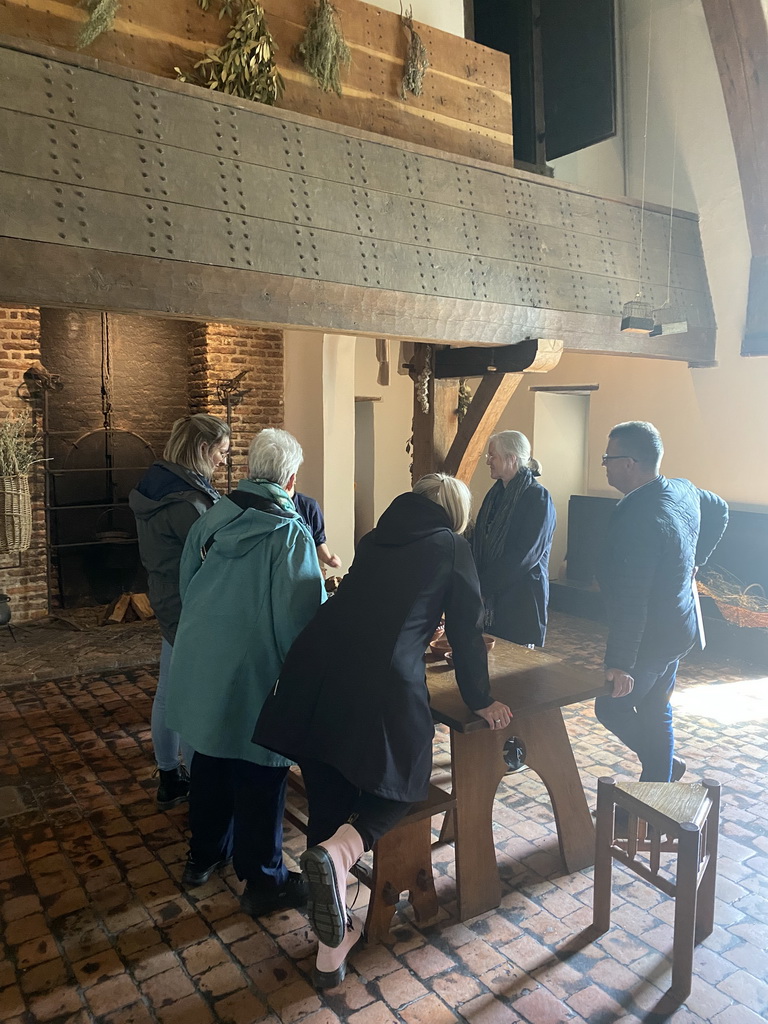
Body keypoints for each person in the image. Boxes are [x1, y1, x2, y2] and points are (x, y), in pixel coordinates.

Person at [254, 473, 511, 988]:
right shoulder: (451, 545)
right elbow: (466, 628)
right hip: (378, 680)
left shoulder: (376, 537)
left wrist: (421, 629)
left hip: (316, 667)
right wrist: (481, 698)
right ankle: (342, 851)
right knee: (408, 778)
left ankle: (332, 952)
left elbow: (378, 606)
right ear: (455, 514)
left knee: (330, 779)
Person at [165, 428, 326, 916]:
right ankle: (264, 881)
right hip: (256, 670)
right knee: (260, 771)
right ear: (291, 478)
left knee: (211, 756)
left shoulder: (212, 516)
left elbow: (188, 587)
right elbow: (299, 620)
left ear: (251, 469)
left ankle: (204, 856)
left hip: (203, 658)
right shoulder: (291, 532)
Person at [596, 421, 728, 782]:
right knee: (656, 710)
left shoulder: (641, 519)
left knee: (610, 706)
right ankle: (660, 780)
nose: (603, 463)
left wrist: (620, 663)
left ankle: (662, 768)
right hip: (677, 625)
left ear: (629, 463)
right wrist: (696, 559)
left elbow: (632, 598)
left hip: (653, 636)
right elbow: (720, 508)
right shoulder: (681, 489)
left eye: (608, 457)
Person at [129, 413, 230, 809]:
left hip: (165, 592)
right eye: (221, 452)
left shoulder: (155, 483)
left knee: (170, 689)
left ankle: (169, 774)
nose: (223, 460)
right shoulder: (187, 501)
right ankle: (195, 778)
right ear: (202, 448)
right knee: (194, 695)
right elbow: (216, 554)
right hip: (192, 599)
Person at [471, 430, 556, 647]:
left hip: (520, 596)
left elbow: (525, 554)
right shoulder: (496, 494)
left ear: (511, 459)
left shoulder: (538, 497)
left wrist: (485, 587)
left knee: (517, 665)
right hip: (494, 593)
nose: (488, 461)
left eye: (493, 456)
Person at [288, 483, 342, 570]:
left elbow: (318, 542)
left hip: (303, 571)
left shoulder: (309, 505)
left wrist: (328, 559)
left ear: (292, 479)